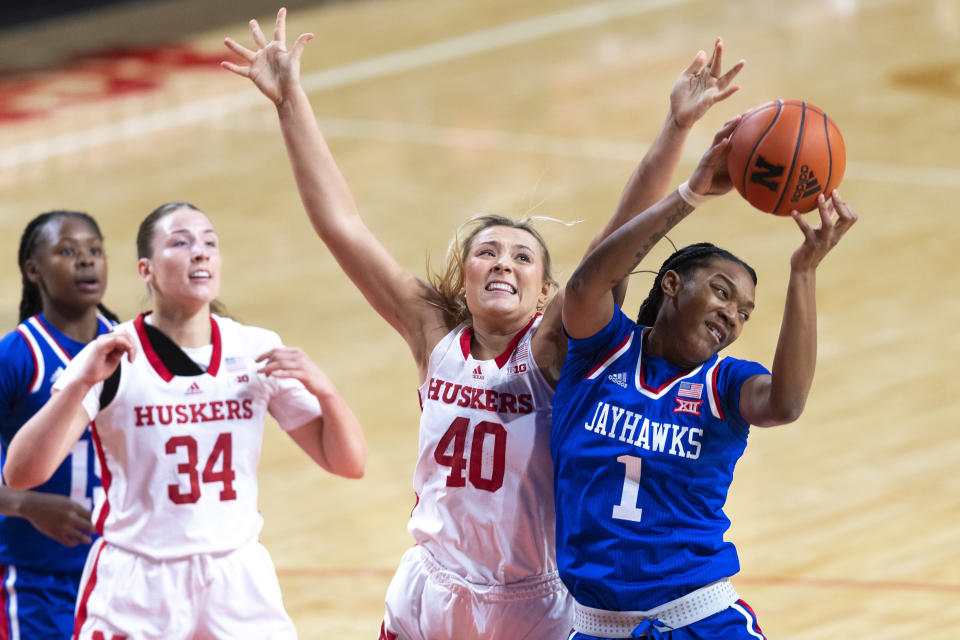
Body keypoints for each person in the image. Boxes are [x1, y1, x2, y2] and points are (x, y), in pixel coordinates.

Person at [223, 9, 744, 639]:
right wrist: (289, 102)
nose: (503, 263)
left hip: (533, 604)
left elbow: (619, 234)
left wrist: (676, 127)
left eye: (523, 257)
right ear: (463, 274)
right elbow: (342, 224)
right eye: (487, 252)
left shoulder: (558, 347)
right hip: (430, 589)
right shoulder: (432, 335)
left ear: (547, 289)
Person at [3, 201, 367, 640]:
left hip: (236, 576)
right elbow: (22, 473)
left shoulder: (255, 349)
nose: (201, 252)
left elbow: (348, 463)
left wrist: (326, 391)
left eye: (210, 243)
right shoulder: (113, 354)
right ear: (146, 269)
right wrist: (79, 383)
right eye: (181, 242)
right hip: (139, 581)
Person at [552, 121, 858, 638]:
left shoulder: (726, 384)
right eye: (721, 293)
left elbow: (785, 405)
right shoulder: (600, 352)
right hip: (595, 627)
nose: (732, 316)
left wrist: (804, 272)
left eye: (744, 313)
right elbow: (587, 282)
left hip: (701, 620)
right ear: (671, 283)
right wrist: (691, 194)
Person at [0, 210, 118, 639]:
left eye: (94, 250)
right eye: (67, 251)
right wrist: (25, 505)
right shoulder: (17, 356)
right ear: (33, 270)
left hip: (121, 576)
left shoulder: (132, 346)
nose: (86, 261)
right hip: (37, 582)